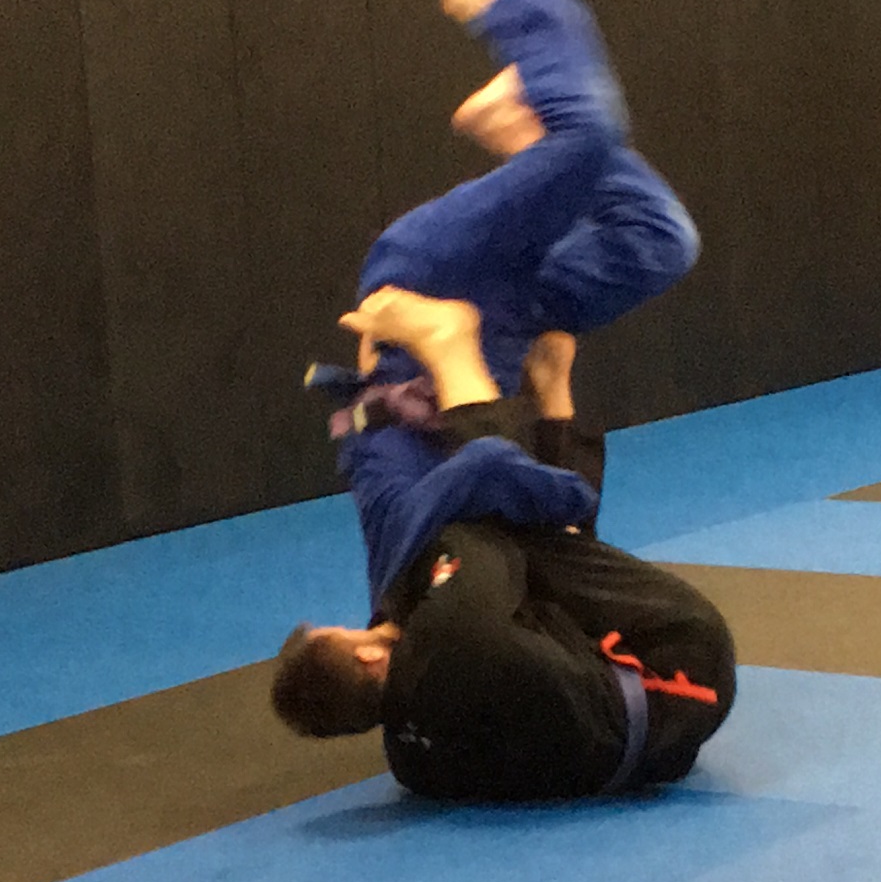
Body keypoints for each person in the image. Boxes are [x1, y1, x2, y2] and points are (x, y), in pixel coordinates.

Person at [272, 293, 735, 802]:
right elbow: (490, 522)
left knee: (472, 584)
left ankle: (535, 388)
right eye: (346, 632)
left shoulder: (412, 765)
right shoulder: (453, 632)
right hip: (681, 665)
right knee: (484, 517)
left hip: (649, 744)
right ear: (365, 656)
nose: (356, 626)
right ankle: (452, 352)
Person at [342, 0, 700, 404]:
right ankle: (525, 135)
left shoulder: (398, 451)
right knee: (661, 241)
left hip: (422, 283)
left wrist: (443, 342)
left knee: (587, 134)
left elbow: (467, 431)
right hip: (505, 318)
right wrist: (555, 389)